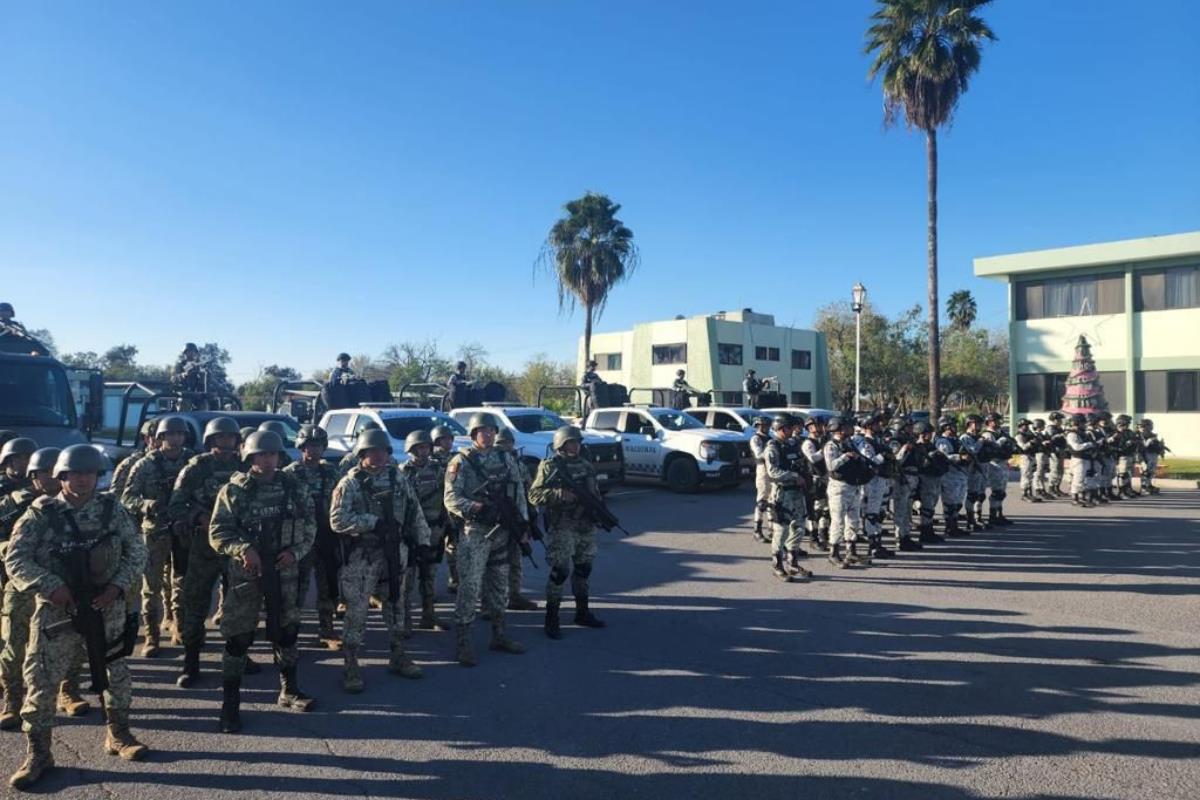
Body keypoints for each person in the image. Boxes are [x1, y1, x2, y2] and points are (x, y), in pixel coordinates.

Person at [6, 445, 149, 788]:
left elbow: (137, 550)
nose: (83, 479)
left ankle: (119, 735)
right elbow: (16, 560)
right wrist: (51, 585)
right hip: (57, 612)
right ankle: (39, 753)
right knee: (41, 682)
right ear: (62, 476)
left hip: (106, 606)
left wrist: (117, 586)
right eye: (75, 474)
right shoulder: (41, 514)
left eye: (90, 473)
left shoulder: (112, 509)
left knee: (114, 674)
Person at [209, 431, 316, 732]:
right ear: (250, 458)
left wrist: (295, 552)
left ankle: (289, 689)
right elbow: (218, 532)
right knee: (239, 637)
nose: (267, 460)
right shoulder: (235, 490)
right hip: (248, 572)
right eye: (261, 455)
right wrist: (243, 550)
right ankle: (230, 705)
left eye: (272, 455)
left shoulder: (294, 487)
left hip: (285, 571)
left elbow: (310, 525)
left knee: (288, 631)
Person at [330, 428, 431, 691]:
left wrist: (422, 542)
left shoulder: (398, 478)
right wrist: (372, 523)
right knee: (357, 610)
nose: (378, 456)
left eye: (383, 451)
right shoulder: (350, 483)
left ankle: (398, 656)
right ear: (362, 454)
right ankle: (351, 665)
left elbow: (414, 510)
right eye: (371, 452)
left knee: (396, 605)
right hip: (362, 555)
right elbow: (337, 520)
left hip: (395, 552)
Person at [0, 447, 91, 729]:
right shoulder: (13, 505)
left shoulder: (73, 505)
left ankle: (69, 690)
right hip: (23, 584)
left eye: (54, 472)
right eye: (42, 473)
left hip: (65, 586)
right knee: (14, 644)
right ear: (33, 476)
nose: (50, 479)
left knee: (73, 641)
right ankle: (13, 700)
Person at [442, 412, 528, 666]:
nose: (488, 434)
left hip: (502, 531)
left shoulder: (505, 457)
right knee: (469, 587)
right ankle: (463, 643)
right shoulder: (461, 461)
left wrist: (522, 525)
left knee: (499, 585)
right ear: (473, 434)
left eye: (491, 430)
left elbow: (518, 491)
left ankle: (499, 635)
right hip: (475, 533)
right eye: (483, 430)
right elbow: (451, 498)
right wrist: (476, 507)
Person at [169, 417, 243, 688]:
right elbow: (175, 505)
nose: (226, 443)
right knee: (195, 602)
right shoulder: (197, 468)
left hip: (236, 545)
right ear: (211, 441)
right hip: (203, 546)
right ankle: (191, 661)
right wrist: (197, 516)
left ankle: (238, 655)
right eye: (220, 438)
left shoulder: (244, 467)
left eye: (230, 438)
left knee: (239, 603)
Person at [121, 414, 193, 656]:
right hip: (155, 532)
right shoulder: (145, 465)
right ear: (160, 437)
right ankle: (152, 636)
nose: (176, 438)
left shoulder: (192, 461)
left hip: (183, 530)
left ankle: (179, 628)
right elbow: (127, 498)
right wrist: (147, 505)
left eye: (180, 434)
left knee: (181, 583)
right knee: (151, 587)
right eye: (170, 434)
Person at [528, 425, 607, 638]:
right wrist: (557, 494)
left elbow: (595, 494)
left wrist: (599, 512)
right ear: (561, 444)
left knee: (584, 569)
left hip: (585, 526)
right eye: (571, 442)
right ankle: (551, 618)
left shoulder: (586, 465)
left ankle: (582, 612)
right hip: (562, 527)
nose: (576, 446)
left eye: (578, 442)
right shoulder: (550, 466)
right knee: (559, 572)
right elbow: (534, 495)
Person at [283, 425, 342, 649]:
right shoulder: (290, 474)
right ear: (301, 447)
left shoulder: (331, 472)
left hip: (327, 536)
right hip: (299, 539)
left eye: (317, 445)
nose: (313, 450)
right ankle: (292, 629)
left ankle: (327, 629)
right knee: (297, 586)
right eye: (309, 446)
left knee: (328, 584)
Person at [399, 430, 450, 632]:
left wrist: (446, 524)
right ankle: (405, 620)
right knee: (407, 579)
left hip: (434, 530)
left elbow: (447, 495)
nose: (424, 451)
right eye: (419, 447)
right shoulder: (403, 472)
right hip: (411, 532)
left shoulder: (439, 469)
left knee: (429, 576)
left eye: (426, 447)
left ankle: (428, 616)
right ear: (411, 449)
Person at [762, 414, 812, 581]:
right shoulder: (772, 447)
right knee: (781, 530)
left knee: (799, 527)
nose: (794, 431)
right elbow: (772, 472)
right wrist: (793, 475)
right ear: (781, 428)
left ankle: (792, 562)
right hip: (782, 494)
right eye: (790, 428)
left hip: (796, 493)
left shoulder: (792, 445)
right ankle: (777, 565)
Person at [494, 428, 539, 612]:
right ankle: (490, 602)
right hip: (497, 518)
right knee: (495, 563)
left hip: (517, 516)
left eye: (508, 442)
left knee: (516, 558)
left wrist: (530, 517)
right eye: (501, 443)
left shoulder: (519, 465)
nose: (505, 446)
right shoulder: (491, 463)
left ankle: (515, 595)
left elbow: (529, 490)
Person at [823, 417, 868, 568]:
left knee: (853, 520)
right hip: (839, 488)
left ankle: (851, 550)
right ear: (839, 428)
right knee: (838, 521)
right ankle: (834, 553)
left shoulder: (850, 443)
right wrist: (845, 457)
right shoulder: (831, 446)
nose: (851, 429)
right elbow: (831, 466)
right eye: (847, 427)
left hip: (853, 486)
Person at [852, 413, 893, 559]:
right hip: (871, 480)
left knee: (877, 513)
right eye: (876, 424)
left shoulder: (876, 440)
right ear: (868, 426)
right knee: (872, 513)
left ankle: (877, 543)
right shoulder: (862, 441)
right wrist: (884, 454)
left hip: (880, 479)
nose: (879, 426)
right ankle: (873, 546)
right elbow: (872, 459)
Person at [430, 425, 461, 593]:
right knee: (434, 551)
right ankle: (430, 588)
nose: (447, 442)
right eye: (444, 439)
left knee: (455, 548)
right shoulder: (430, 460)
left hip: (453, 510)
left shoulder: (456, 459)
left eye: (449, 438)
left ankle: (455, 580)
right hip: (436, 511)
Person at [889, 417, 921, 551]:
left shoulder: (910, 439)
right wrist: (904, 449)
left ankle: (906, 535)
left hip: (911, 477)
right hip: (901, 477)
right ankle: (900, 537)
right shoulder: (896, 441)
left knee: (907, 508)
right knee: (901, 509)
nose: (910, 429)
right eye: (907, 426)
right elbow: (896, 458)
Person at [801, 416, 831, 550]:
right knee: (815, 510)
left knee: (826, 509)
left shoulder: (823, 440)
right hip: (813, 479)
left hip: (825, 477)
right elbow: (813, 458)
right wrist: (825, 450)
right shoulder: (808, 443)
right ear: (810, 427)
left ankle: (823, 533)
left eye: (821, 425)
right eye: (817, 426)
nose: (820, 428)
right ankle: (813, 537)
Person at [912, 421, 944, 545]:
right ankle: (926, 531)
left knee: (932, 504)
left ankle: (928, 529)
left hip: (934, 477)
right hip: (924, 478)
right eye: (928, 433)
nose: (930, 435)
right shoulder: (917, 447)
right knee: (927, 506)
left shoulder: (931, 446)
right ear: (921, 434)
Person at [936, 417, 968, 538]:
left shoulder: (957, 440)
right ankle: (949, 526)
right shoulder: (942, 441)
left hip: (960, 473)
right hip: (949, 474)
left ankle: (955, 525)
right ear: (946, 427)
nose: (955, 427)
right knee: (950, 502)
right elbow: (944, 457)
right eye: (952, 425)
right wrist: (959, 457)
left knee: (958, 502)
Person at [109, 420, 158, 499]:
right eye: (156, 437)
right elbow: (115, 497)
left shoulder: (177, 460)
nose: (161, 441)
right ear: (147, 439)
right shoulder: (131, 464)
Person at [958, 414, 987, 531]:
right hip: (971, 469)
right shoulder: (965, 438)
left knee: (980, 495)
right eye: (977, 423)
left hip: (980, 468)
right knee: (972, 495)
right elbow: (972, 451)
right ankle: (970, 520)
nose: (979, 426)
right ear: (970, 424)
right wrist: (980, 442)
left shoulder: (979, 437)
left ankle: (978, 517)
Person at [748, 416, 772, 544]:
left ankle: (772, 528)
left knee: (772, 500)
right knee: (762, 500)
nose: (766, 428)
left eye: (767, 425)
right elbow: (758, 454)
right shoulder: (756, 438)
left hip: (772, 469)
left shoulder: (770, 438)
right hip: (762, 469)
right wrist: (771, 454)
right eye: (763, 426)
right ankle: (757, 529)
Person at [1067, 413, 1097, 507]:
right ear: (1077, 423)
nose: (1084, 425)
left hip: (1087, 458)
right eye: (1083, 423)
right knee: (1078, 479)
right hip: (1078, 459)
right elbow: (1076, 447)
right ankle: (1075, 498)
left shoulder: (1084, 433)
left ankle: (1083, 497)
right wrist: (1089, 444)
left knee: (1087, 479)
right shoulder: (1072, 434)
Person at [1112, 415, 1140, 498]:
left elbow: (1135, 440)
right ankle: (1121, 491)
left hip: (1130, 455)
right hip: (1121, 456)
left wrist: (1133, 442)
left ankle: (1128, 489)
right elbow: (1113, 445)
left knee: (1129, 474)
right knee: (1122, 474)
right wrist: (1124, 445)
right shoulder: (1115, 433)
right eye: (1126, 423)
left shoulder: (1129, 432)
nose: (1127, 425)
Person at [1015, 419, 1043, 503]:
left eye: (1027, 425)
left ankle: (1030, 494)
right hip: (1025, 456)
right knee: (1026, 475)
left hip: (1032, 455)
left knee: (1030, 476)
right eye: (1025, 425)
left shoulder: (1028, 434)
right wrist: (1031, 443)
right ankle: (1024, 494)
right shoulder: (1019, 436)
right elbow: (1022, 447)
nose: (1027, 427)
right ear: (1021, 425)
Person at [1137, 418, 1165, 495]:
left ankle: (1149, 484)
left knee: (1151, 471)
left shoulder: (1152, 434)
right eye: (1149, 425)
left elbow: (1156, 445)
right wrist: (1148, 441)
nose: (1151, 427)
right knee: (1145, 471)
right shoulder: (1139, 435)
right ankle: (1144, 486)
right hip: (1144, 454)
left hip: (1153, 454)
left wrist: (1161, 447)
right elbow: (1141, 446)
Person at [1031, 418, 1051, 500]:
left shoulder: (1041, 434)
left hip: (1044, 454)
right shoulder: (1034, 435)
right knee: (1038, 473)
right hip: (1038, 454)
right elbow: (1034, 444)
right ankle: (1038, 489)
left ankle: (1042, 489)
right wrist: (1042, 443)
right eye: (1043, 425)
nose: (1044, 426)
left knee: (1042, 473)